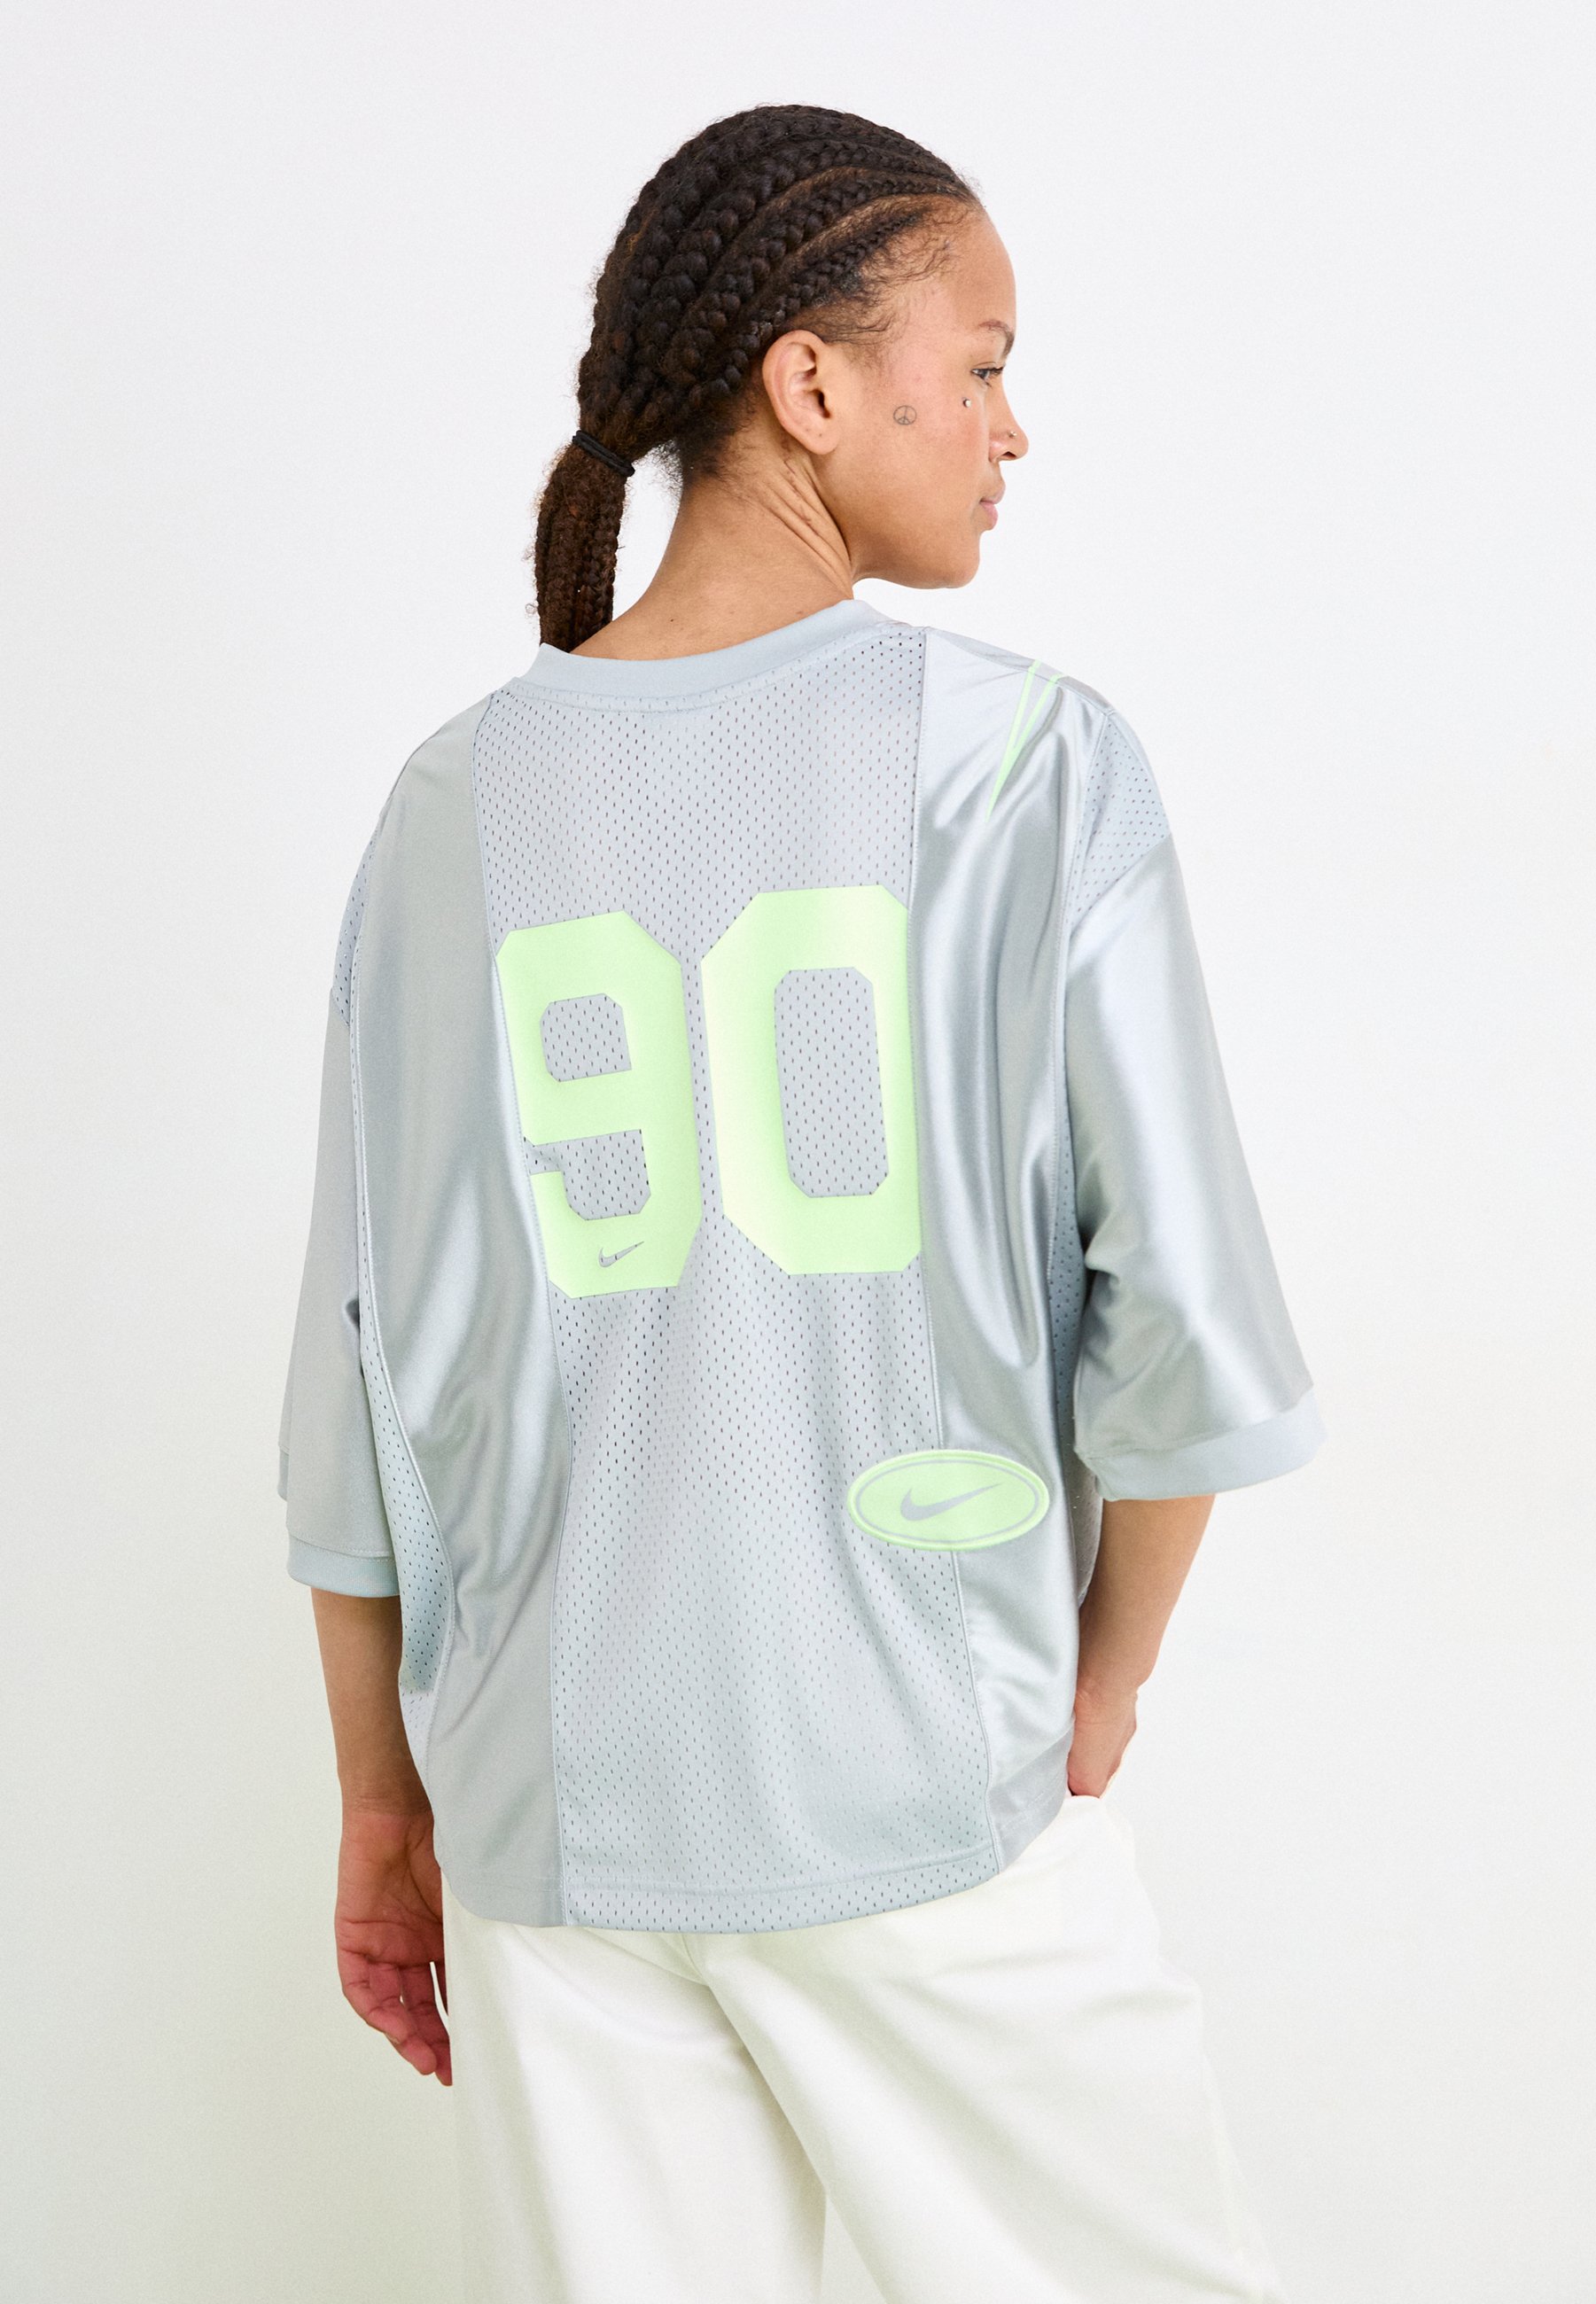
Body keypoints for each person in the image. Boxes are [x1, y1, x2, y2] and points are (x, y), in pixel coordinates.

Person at [278, 102, 1325, 2304]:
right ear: (814, 383)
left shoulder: (451, 806)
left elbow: (362, 1370)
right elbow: (1188, 1318)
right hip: (924, 1773)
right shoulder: (1025, 763)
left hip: (557, 1803)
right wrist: (1100, 1687)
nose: (1014, 427)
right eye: (985, 361)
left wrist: (386, 1801)